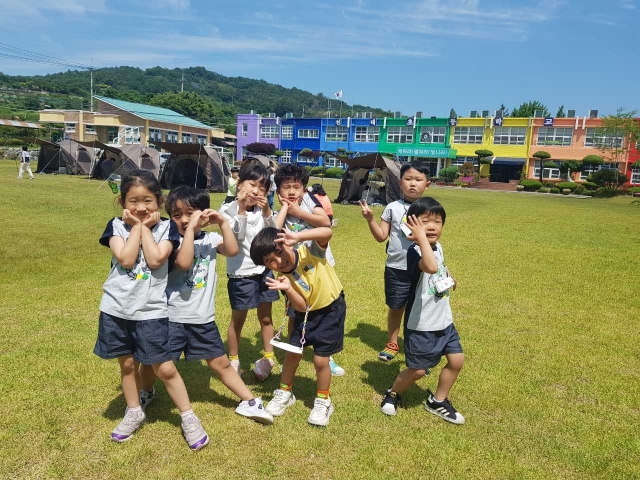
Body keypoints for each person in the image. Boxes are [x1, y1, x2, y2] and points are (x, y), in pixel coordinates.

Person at [137, 186, 273, 425]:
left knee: (220, 362)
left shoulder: (210, 239)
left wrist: (222, 221)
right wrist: (189, 230)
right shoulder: (169, 240)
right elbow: (184, 261)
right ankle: (145, 393)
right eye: (177, 215)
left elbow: (232, 250)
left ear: (204, 213)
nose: (184, 220)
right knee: (151, 362)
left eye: (190, 213)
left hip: (201, 317)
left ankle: (249, 401)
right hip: (169, 317)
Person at [94, 169, 209, 450]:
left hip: (151, 312)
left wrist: (143, 228)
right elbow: (125, 257)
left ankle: (188, 417)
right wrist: (138, 227)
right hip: (116, 309)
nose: (141, 207)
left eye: (147, 200)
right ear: (122, 202)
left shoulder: (168, 228)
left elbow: (157, 260)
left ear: (158, 201)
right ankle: (134, 411)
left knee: (165, 368)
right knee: (128, 364)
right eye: (133, 201)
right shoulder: (115, 226)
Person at [380, 197, 465, 424]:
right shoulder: (415, 251)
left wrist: (449, 277)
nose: (431, 226)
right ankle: (393, 393)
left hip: (444, 320)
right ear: (410, 225)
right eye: (424, 222)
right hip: (423, 323)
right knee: (418, 370)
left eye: (437, 222)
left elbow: (439, 268)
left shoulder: (437, 247)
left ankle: (438, 400)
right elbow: (430, 266)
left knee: (456, 361)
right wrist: (418, 239)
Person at [250, 227, 346, 426]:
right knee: (293, 354)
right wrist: (288, 289)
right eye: (270, 262)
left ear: (286, 243)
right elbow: (301, 306)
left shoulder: (309, 251)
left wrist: (299, 236)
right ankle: (285, 392)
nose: (278, 261)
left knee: (321, 360)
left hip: (330, 311)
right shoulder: (282, 278)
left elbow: (326, 232)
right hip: (306, 315)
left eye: (278, 252)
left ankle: (323, 400)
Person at [274, 164, 344, 377]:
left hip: (317, 266)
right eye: (287, 187)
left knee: (322, 309)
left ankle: (326, 354)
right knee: (294, 311)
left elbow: (325, 223)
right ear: (278, 192)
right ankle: (295, 347)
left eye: (297, 186)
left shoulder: (310, 203)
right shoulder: (280, 212)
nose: (292, 192)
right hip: (292, 271)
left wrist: (298, 211)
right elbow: (272, 232)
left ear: (305, 189)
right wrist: (286, 209)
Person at [359, 162, 431, 362]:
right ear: (400, 183)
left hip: (423, 268)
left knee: (419, 308)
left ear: (428, 184)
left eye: (418, 180)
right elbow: (381, 236)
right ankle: (392, 342)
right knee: (396, 306)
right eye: (408, 179)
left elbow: (435, 240)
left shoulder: (430, 209)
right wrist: (370, 219)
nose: (413, 184)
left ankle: (415, 345)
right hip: (396, 268)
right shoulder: (392, 207)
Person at [220, 163, 279, 381]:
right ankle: (233, 360)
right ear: (239, 183)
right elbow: (236, 239)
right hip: (241, 273)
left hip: (264, 271)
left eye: (262, 189)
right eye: (252, 184)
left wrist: (266, 212)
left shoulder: (262, 211)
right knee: (238, 320)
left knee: (266, 318)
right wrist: (242, 212)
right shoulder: (226, 211)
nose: (256, 191)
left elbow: (273, 235)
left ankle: (268, 357)